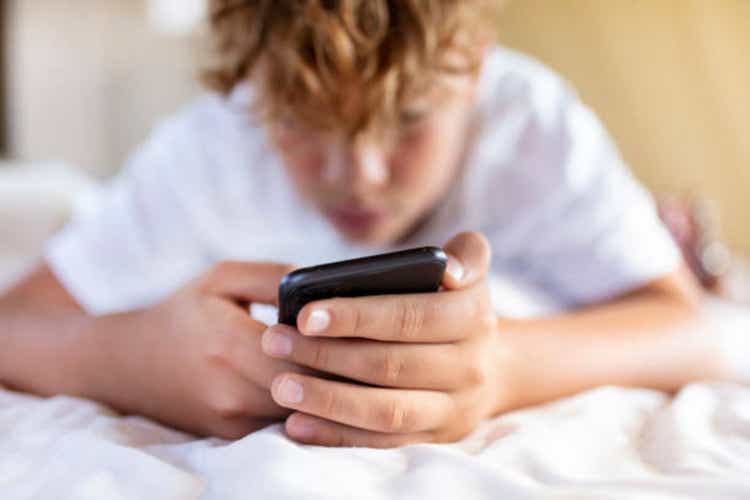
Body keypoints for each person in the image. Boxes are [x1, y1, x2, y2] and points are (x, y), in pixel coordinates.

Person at [0, 0, 740, 448]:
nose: (359, 174)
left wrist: (504, 368)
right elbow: (16, 325)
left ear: (476, 65)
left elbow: (696, 328)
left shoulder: (531, 126)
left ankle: (664, 224)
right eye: (302, 124)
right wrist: (131, 360)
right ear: (256, 86)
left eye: (409, 120)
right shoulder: (214, 145)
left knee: (678, 253)